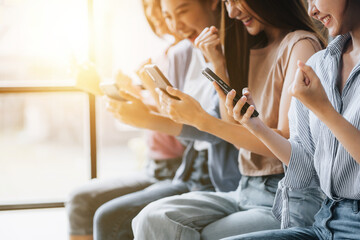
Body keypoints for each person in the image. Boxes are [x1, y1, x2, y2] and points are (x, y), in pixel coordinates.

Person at [131, 1, 327, 239]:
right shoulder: (249, 48)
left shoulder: (301, 45)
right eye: (227, 2)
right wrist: (218, 64)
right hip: (245, 189)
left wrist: (202, 119)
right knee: (152, 218)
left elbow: (285, 145)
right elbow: (234, 130)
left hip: (285, 199)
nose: (232, 12)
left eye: (236, 0)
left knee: (202, 234)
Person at [95, 0, 241, 239]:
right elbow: (189, 139)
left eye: (182, 11)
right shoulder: (183, 53)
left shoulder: (235, 51)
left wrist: (149, 119)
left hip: (222, 179)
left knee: (114, 217)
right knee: (106, 213)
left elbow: (220, 130)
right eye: (168, 16)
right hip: (191, 172)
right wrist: (150, 109)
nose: (176, 25)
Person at [218, 0, 360, 239]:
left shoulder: (304, 51)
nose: (311, 10)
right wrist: (255, 126)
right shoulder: (319, 64)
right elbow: (305, 168)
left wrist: (324, 110)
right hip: (324, 221)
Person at [66, 1, 185, 239]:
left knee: (101, 212)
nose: (154, 14)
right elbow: (146, 108)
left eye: (159, 5)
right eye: (147, 6)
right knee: (79, 199)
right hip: (154, 165)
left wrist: (142, 95)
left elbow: (185, 120)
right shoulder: (161, 57)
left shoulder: (188, 56)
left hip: (179, 166)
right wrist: (103, 87)